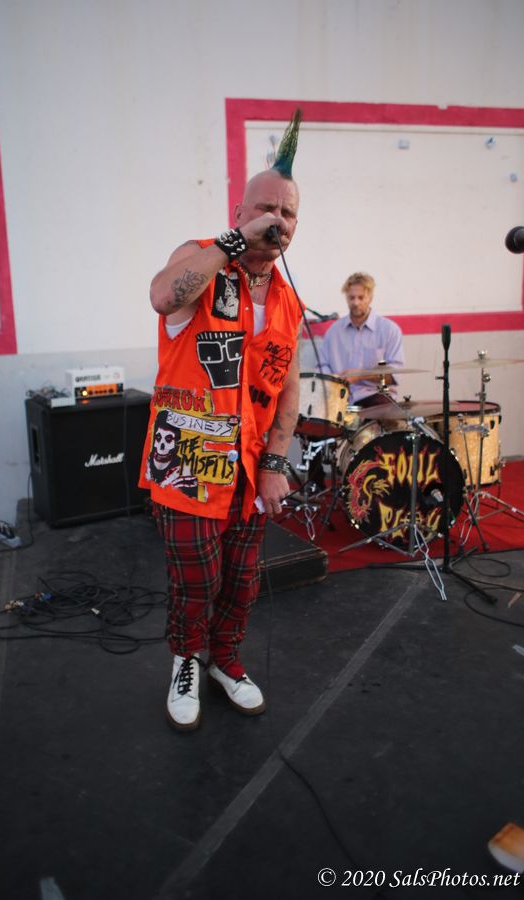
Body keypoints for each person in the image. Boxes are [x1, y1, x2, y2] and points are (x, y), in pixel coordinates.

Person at [139, 111, 304, 731]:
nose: (276, 219)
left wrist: (276, 463)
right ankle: (187, 659)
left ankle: (225, 660)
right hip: (188, 462)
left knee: (241, 579)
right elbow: (163, 296)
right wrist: (234, 243)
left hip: (251, 468)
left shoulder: (286, 300)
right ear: (238, 213)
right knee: (196, 581)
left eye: (287, 213)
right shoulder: (202, 258)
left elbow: (288, 390)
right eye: (265, 208)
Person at [318, 272, 404, 408]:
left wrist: (361, 375)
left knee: (384, 415)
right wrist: (332, 380)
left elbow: (394, 375)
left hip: (375, 395)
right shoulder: (333, 332)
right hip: (338, 397)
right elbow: (322, 365)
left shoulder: (389, 330)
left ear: (370, 297)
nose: (356, 303)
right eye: (351, 298)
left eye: (361, 297)